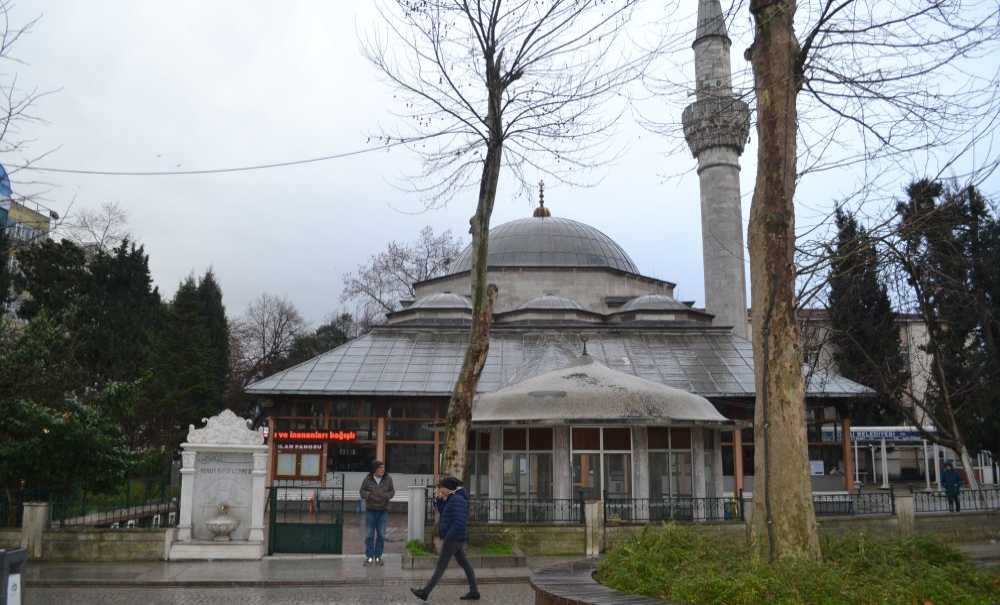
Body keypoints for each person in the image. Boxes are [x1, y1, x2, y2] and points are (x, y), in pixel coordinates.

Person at [410, 477, 479, 601]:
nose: (440, 491)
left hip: (453, 538)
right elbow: (443, 511)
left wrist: (448, 538)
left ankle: (425, 592)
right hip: (456, 537)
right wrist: (438, 498)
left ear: (448, 488)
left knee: (440, 566)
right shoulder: (453, 498)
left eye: (441, 489)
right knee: (465, 564)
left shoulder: (457, 500)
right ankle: (474, 591)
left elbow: (459, 522)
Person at [359, 460, 394, 566]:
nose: (382, 470)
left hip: (383, 511)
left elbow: (392, 491)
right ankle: (369, 557)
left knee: (381, 535)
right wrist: (368, 495)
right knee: (369, 535)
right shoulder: (368, 479)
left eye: (383, 468)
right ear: (374, 469)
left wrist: (387, 496)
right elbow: (362, 491)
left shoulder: (388, 479)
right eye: (380, 468)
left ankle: (378, 557)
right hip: (371, 510)